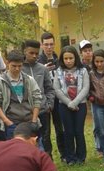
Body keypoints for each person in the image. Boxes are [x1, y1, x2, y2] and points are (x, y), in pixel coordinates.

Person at [0, 50, 42, 140]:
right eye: (14, 66)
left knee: (36, 150)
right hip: (11, 122)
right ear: (7, 63)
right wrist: (7, 122)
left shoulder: (29, 80)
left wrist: (34, 120)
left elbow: (37, 99)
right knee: (14, 151)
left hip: (29, 122)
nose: (17, 69)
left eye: (20, 66)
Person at [54, 46, 90, 165]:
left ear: (76, 57)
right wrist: (69, 103)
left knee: (78, 131)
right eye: (66, 58)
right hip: (64, 106)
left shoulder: (83, 70)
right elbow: (57, 89)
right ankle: (70, 157)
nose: (68, 61)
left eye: (71, 58)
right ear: (62, 59)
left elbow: (86, 88)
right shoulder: (58, 71)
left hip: (81, 105)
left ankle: (81, 157)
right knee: (68, 131)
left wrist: (75, 102)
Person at [22, 40, 55, 156]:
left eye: (36, 53)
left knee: (45, 139)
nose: (35, 56)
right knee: (29, 139)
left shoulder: (43, 69)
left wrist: (49, 105)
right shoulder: (19, 69)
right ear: (24, 51)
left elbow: (49, 88)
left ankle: (48, 164)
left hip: (43, 110)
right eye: (31, 53)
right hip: (27, 112)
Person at [38, 32, 66, 162]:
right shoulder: (38, 62)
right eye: (46, 45)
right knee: (45, 132)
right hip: (44, 100)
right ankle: (48, 158)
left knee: (60, 129)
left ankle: (64, 154)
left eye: (51, 44)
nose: (49, 47)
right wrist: (43, 70)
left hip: (58, 99)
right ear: (42, 45)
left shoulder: (59, 60)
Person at [79, 39, 101, 155]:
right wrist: (89, 96)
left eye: (90, 50)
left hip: (102, 97)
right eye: (85, 51)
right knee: (96, 123)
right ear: (81, 53)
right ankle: (99, 147)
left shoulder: (97, 63)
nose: (88, 52)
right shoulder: (80, 67)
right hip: (90, 99)